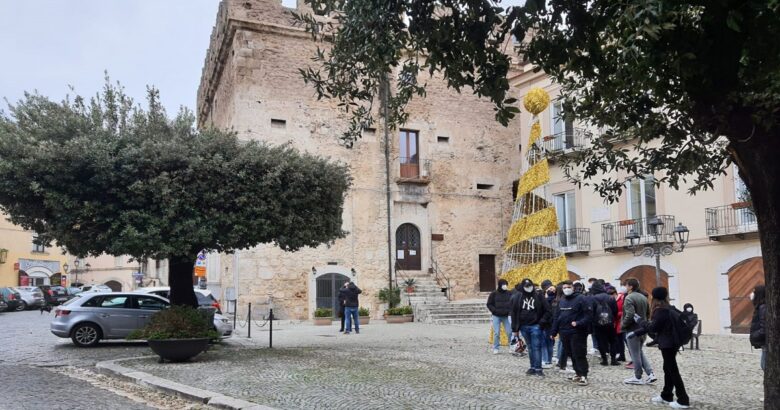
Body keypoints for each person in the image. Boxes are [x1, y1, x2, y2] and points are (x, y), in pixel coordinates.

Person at [627, 287, 690, 408]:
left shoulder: (660, 311)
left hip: (667, 345)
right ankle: (666, 395)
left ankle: (683, 400)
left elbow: (652, 328)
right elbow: (656, 326)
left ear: (654, 297)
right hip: (672, 343)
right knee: (668, 369)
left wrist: (639, 321)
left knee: (673, 371)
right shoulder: (669, 308)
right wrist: (636, 332)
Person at [551, 281, 591, 386]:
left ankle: (584, 375)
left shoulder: (581, 299)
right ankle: (577, 373)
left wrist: (578, 323)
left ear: (573, 288)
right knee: (571, 353)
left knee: (579, 353)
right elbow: (557, 317)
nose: (566, 289)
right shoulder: (562, 300)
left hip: (577, 332)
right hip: (564, 331)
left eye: (568, 287)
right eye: (564, 287)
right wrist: (553, 332)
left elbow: (588, 315)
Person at [511, 278, 551, 376]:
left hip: (536, 326)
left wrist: (541, 322)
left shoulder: (538, 295)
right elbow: (514, 313)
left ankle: (538, 368)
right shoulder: (518, 297)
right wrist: (515, 329)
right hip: (523, 326)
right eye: (526, 286)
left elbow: (548, 310)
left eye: (530, 286)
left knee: (536, 347)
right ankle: (532, 367)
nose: (528, 288)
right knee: (530, 347)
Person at [622, 278, 656, 385]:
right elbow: (648, 313)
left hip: (633, 330)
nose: (625, 287)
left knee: (635, 354)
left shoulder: (629, 298)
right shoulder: (643, 297)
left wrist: (623, 325)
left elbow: (630, 315)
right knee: (639, 352)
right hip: (643, 329)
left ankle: (638, 377)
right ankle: (650, 374)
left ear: (631, 287)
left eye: (626, 285)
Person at [590, 280, 619, 365]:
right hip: (610, 323)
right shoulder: (610, 297)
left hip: (597, 324)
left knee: (600, 341)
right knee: (612, 341)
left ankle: (604, 360)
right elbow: (615, 311)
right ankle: (613, 360)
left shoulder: (593, 298)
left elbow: (591, 312)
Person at [486, 279, 513, 354]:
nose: (505, 286)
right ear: (500, 285)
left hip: (506, 316)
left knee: (509, 332)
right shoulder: (493, 294)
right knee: (496, 333)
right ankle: (496, 348)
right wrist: (494, 311)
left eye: (506, 284)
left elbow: (513, 303)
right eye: (503, 284)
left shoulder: (509, 293)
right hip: (496, 316)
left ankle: (511, 346)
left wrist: (510, 311)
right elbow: (489, 304)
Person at [749, 285, 766, 371]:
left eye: (754, 292)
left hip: (766, 344)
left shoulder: (763, 308)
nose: (752, 294)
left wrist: (754, 336)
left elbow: (764, 329)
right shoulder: (760, 307)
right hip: (764, 344)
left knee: (765, 365)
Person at [541, 280, 556, 368]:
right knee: (549, 342)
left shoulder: (550, 298)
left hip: (547, 322)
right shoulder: (555, 297)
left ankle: (546, 360)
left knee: (546, 342)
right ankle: (548, 360)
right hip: (549, 323)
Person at [613, 284, 627, 362]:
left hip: (621, 321)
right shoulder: (621, 298)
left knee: (623, 340)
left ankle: (622, 355)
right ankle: (622, 355)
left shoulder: (621, 298)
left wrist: (616, 314)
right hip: (619, 322)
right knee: (620, 340)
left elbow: (622, 311)